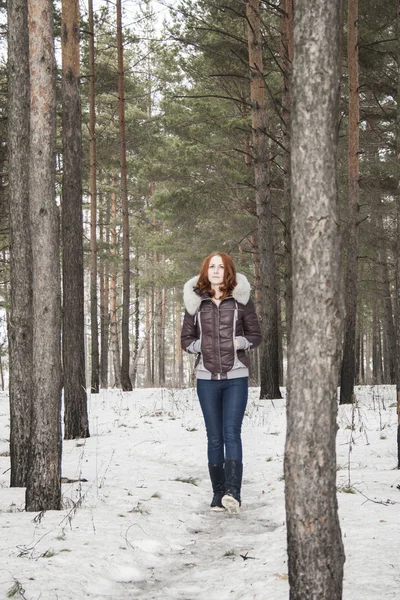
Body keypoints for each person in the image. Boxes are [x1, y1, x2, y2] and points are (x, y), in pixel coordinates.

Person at [181, 252, 262, 514]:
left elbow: (255, 335)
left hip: (235, 376)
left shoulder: (241, 301)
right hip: (206, 378)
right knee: (214, 438)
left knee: (231, 433)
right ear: (206, 271)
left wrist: (238, 342)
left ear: (228, 271)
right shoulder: (195, 303)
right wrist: (200, 346)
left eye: (221, 266)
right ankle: (218, 494)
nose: (216, 270)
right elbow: (185, 340)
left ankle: (233, 493)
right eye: (211, 266)